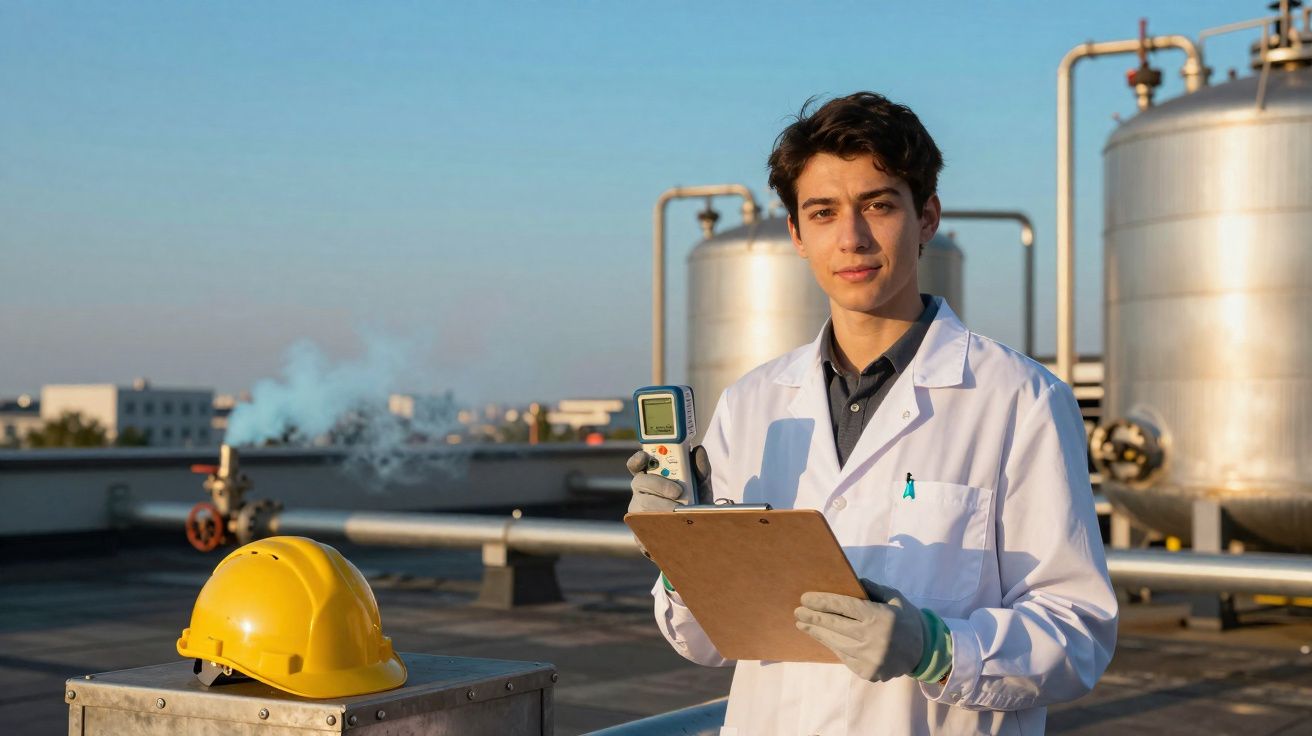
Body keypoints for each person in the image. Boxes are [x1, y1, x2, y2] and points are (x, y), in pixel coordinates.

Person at [627, 92, 1117, 735]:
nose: (852, 238)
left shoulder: (1018, 399)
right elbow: (706, 642)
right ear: (797, 235)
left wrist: (940, 650)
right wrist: (678, 557)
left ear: (927, 217)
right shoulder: (753, 403)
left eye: (879, 205)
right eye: (823, 213)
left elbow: (1076, 633)